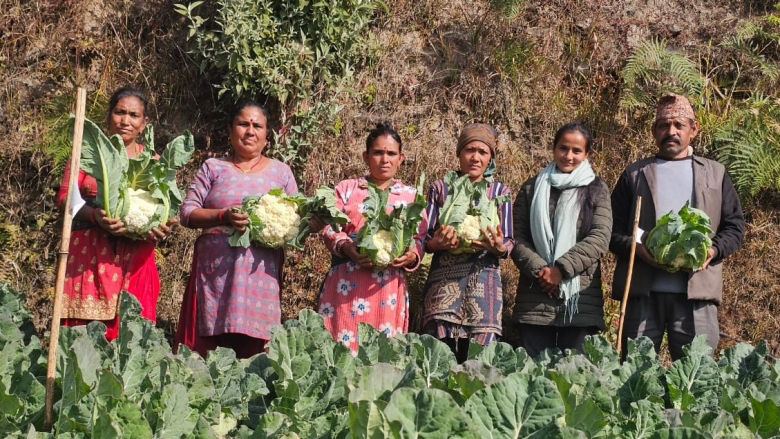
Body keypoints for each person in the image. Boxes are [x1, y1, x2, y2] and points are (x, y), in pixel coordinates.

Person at [610, 93, 744, 360]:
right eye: (663, 126)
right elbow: (611, 231)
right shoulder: (635, 174)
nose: (670, 132)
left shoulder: (715, 174)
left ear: (693, 129)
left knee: (696, 375)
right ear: (653, 131)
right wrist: (638, 248)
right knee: (635, 374)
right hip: (643, 294)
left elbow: (735, 227)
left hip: (697, 296)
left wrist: (713, 251)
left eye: (679, 125)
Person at [174, 99, 298, 358]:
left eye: (257, 126)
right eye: (243, 124)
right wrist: (222, 216)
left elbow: (298, 222)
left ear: (267, 135)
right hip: (214, 276)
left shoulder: (282, 173)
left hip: (259, 279)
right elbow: (187, 213)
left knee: (255, 357)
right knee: (206, 354)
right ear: (230, 131)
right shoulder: (213, 168)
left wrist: (312, 222)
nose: (250, 131)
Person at [57, 86, 171, 340]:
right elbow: (66, 197)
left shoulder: (154, 161)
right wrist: (94, 215)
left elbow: (167, 208)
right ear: (109, 116)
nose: (125, 121)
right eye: (120, 112)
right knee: (83, 339)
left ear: (144, 123)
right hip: (89, 254)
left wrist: (161, 225)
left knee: (132, 337)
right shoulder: (84, 154)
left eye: (133, 115)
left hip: (136, 258)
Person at [317, 122, 424, 351]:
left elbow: (420, 238)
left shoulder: (411, 196)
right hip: (346, 286)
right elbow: (329, 227)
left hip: (387, 291)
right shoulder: (348, 189)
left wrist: (411, 256)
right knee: (339, 355)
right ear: (366, 156)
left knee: (381, 357)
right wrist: (348, 248)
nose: (384, 159)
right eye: (378, 152)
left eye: (391, 153)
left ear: (401, 158)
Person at [510, 122, 612, 357]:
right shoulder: (532, 187)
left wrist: (561, 270)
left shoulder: (596, 189)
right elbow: (516, 237)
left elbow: (599, 237)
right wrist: (542, 272)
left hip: (579, 302)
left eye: (577, 151)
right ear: (554, 149)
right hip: (535, 299)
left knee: (574, 382)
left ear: (587, 154)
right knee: (532, 378)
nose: (569, 156)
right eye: (563, 148)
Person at [422, 123, 513, 362]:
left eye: (483, 152)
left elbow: (509, 240)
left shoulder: (499, 192)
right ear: (459, 153)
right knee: (440, 357)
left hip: (485, 284)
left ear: (491, 158)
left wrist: (500, 247)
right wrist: (435, 244)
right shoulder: (440, 189)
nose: (475, 157)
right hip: (443, 286)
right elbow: (423, 237)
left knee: (479, 361)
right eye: (469, 150)